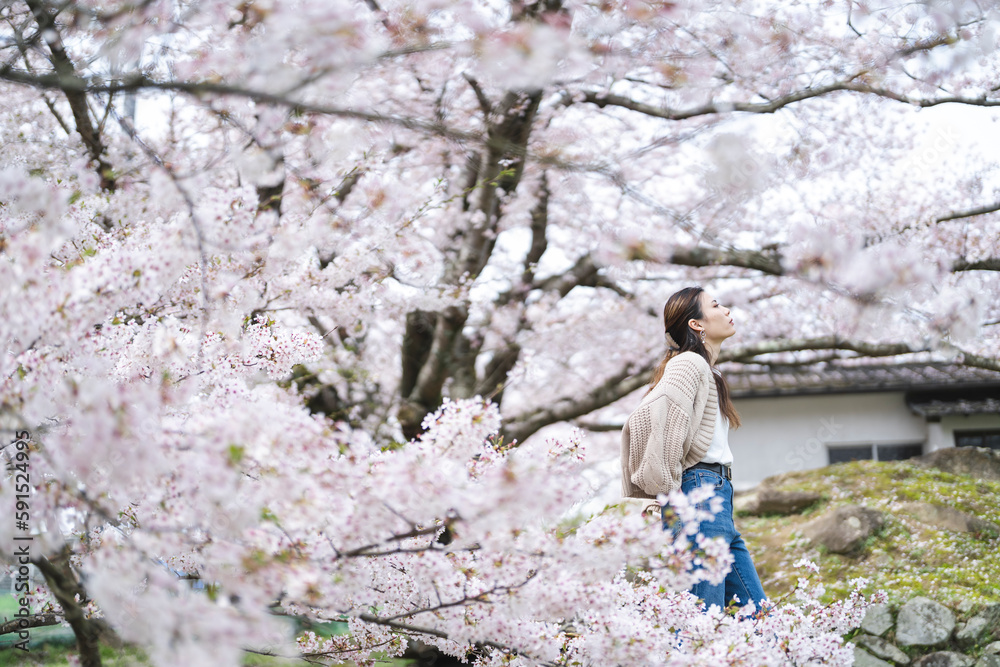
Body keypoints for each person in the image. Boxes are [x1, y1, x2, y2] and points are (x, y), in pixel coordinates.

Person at [620, 286, 767, 612]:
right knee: (698, 619)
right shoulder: (688, 364)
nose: (727, 310)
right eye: (715, 305)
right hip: (698, 493)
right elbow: (650, 419)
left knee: (760, 619)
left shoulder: (705, 369)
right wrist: (666, 493)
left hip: (716, 497)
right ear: (696, 324)